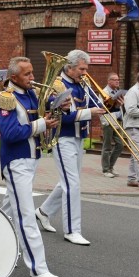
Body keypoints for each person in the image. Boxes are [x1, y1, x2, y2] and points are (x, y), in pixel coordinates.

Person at [0, 56, 62, 277]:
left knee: (5, 211)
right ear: (14, 77)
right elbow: (10, 134)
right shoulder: (7, 98)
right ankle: (38, 267)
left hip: (31, 160)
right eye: (28, 74)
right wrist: (42, 124)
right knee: (26, 215)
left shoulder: (31, 94)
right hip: (16, 162)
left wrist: (57, 107)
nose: (33, 78)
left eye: (33, 73)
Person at [36, 50, 104, 245]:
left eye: (86, 68)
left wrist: (107, 104)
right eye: (82, 69)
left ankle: (43, 212)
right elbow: (60, 117)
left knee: (69, 180)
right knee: (72, 183)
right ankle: (72, 230)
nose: (85, 72)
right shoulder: (58, 85)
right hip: (63, 138)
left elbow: (96, 103)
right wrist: (89, 112)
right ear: (69, 67)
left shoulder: (83, 84)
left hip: (78, 138)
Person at [99, 72, 125, 178]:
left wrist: (121, 104)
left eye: (118, 79)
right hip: (108, 121)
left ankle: (111, 166)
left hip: (117, 120)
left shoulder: (117, 92)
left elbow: (118, 107)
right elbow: (101, 108)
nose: (117, 81)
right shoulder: (104, 92)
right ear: (109, 81)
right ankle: (105, 169)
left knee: (120, 144)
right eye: (114, 79)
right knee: (107, 146)